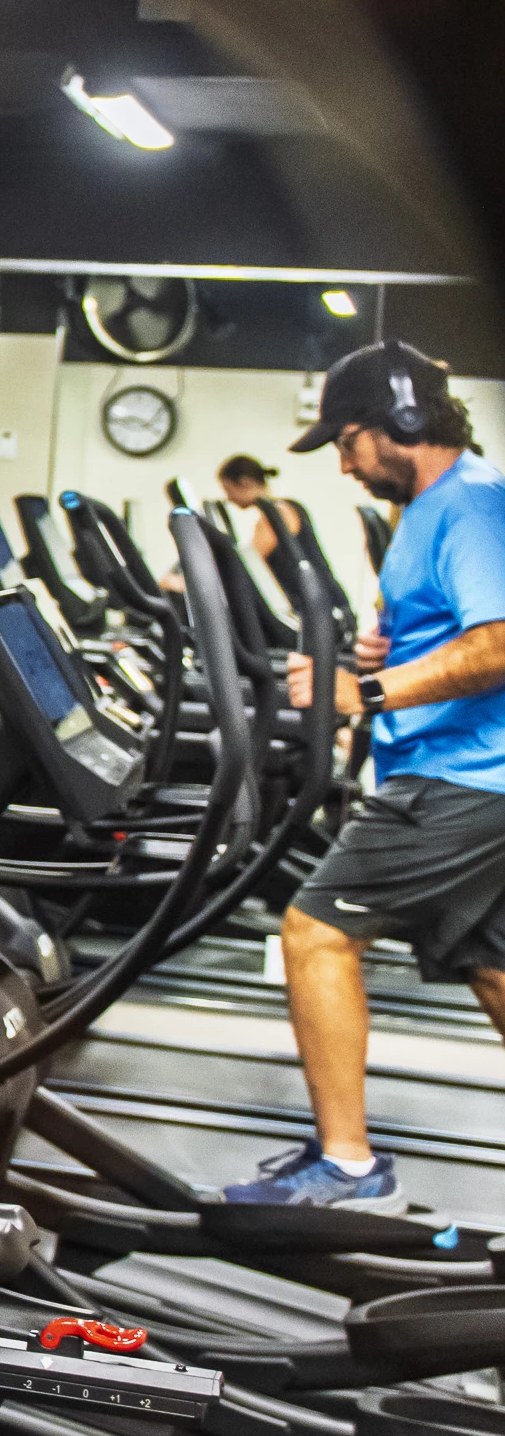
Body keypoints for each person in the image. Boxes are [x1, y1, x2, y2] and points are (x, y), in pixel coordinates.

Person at [227, 337, 505, 1209]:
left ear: (402, 422)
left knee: (314, 933)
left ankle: (347, 1168)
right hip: (465, 772)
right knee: (492, 962)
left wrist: (369, 689)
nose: (344, 466)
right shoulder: (434, 510)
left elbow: (500, 643)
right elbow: (457, 628)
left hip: (462, 778)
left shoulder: (473, 505)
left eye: (346, 442)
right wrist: (387, 650)